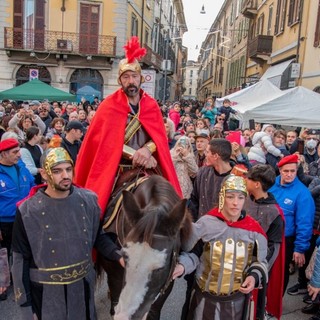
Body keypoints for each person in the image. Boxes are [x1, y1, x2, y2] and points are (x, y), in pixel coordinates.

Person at [74, 36, 181, 318]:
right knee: (94, 209)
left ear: (141, 78)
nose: (130, 80)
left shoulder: (151, 107)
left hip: (149, 167)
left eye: (134, 75)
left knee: (174, 204)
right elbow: (104, 144)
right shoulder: (109, 106)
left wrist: (147, 149)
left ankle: (178, 252)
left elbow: (159, 136)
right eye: (125, 76)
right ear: (121, 80)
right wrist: (131, 153)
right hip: (118, 170)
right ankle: (89, 252)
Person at [11, 147, 123, 320]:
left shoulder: (88, 200)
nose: (65, 175)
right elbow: (20, 260)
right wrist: (26, 306)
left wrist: (118, 255)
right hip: (45, 295)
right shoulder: (27, 211)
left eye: (68, 169)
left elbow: (98, 237)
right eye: (57, 171)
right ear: (44, 173)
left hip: (82, 289)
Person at [173, 175, 268, 320]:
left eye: (240, 198)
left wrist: (253, 276)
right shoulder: (206, 224)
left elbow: (260, 261)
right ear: (222, 197)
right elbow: (194, 255)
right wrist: (182, 266)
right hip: (204, 300)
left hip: (236, 303)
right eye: (230, 197)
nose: (235, 203)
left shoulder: (253, 231)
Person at [269, 154, 315, 295]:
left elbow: (305, 223)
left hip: (285, 241)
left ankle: (273, 307)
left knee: (280, 275)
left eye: (292, 171)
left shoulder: (302, 193)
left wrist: (300, 249)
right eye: (286, 171)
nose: (289, 175)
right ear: (280, 170)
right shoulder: (270, 185)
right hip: (266, 237)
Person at [245, 164, 285, 319]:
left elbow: (273, 249)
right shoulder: (245, 200)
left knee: (253, 311)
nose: (245, 180)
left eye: (249, 178)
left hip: (256, 270)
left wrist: (258, 271)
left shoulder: (274, 213)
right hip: (235, 263)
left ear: (257, 184)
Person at [0, 138, 35, 261]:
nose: (19, 155)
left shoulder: (22, 168)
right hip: (5, 224)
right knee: (6, 256)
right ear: (4, 154)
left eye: (19, 151)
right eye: (15, 152)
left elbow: (33, 187)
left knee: (23, 253)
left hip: (24, 219)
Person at [189, 138, 233, 220]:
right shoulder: (202, 173)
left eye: (207, 152)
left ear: (215, 156)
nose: (205, 154)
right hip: (202, 226)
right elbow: (194, 200)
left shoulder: (237, 178)